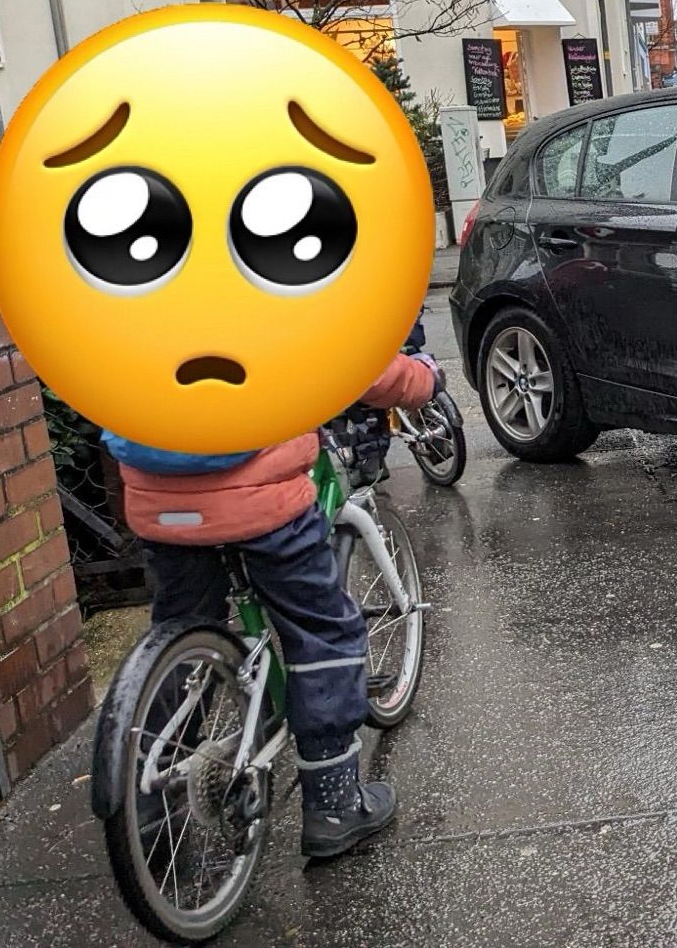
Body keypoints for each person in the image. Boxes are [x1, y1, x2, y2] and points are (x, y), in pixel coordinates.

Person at [102, 350, 441, 858]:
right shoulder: (265, 293)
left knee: (183, 632)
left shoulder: (140, 301)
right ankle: (334, 804)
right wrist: (423, 378)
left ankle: (150, 808)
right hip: (260, 503)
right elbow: (351, 358)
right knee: (323, 630)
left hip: (160, 503)